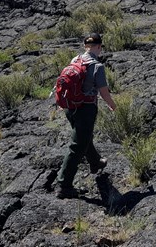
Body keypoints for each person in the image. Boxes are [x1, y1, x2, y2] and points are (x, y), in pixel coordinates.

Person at [56, 32, 117, 199]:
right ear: (99, 47)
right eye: (100, 47)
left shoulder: (75, 60)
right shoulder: (97, 66)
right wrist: (112, 104)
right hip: (86, 108)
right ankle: (64, 185)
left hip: (70, 107)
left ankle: (95, 162)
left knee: (84, 137)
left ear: (85, 47)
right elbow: (103, 91)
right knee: (77, 145)